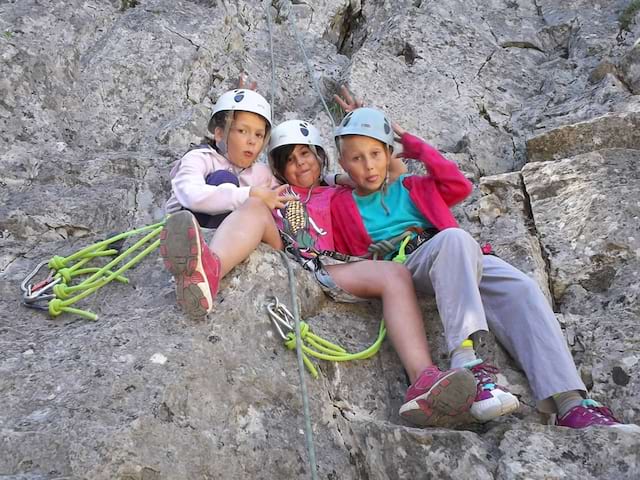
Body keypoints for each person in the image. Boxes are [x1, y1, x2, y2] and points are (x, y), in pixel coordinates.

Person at [160, 99, 478, 427]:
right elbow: (238, 170)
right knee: (253, 208)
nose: (299, 164)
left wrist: (359, 123)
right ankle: (209, 270)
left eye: (305, 154)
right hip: (287, 247)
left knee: (395, 274)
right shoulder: (273, 189)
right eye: (289, 159)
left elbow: (385, 171)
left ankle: (423, 379)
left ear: (319, 155)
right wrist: (237, 132)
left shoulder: (340, 189)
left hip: (331, 263)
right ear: (278, 168)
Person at [329, 106, 640, 431]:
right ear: (343, 164)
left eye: (375, 153)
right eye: (356, 158)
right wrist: (332, 181)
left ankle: (570, 404)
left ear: (389, 154)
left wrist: (415, 145)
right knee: (455, 239)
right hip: (411, 263)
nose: (368, 165)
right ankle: (466, 361)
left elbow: (458, 185)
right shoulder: (342, 203)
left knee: (521, 287)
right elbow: (312, 205)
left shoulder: (411, 186)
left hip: (456, 253)